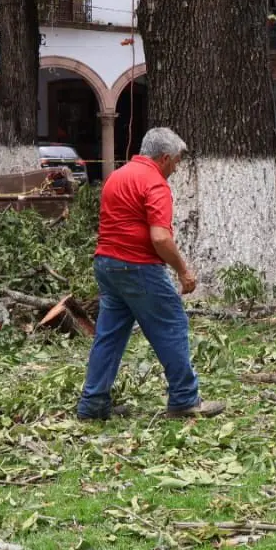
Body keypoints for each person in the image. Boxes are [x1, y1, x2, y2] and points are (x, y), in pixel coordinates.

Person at [77, 128, 225, 421]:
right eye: (177, 161)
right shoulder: (155, 184)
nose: (177, 167)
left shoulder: (117, 176)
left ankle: (92, 405)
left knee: (109, 336)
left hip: (106, 264)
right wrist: (183, 271)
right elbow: (160, 238)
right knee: (172, 325)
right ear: (165, 157)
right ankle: (184, 399)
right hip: (138, 267)